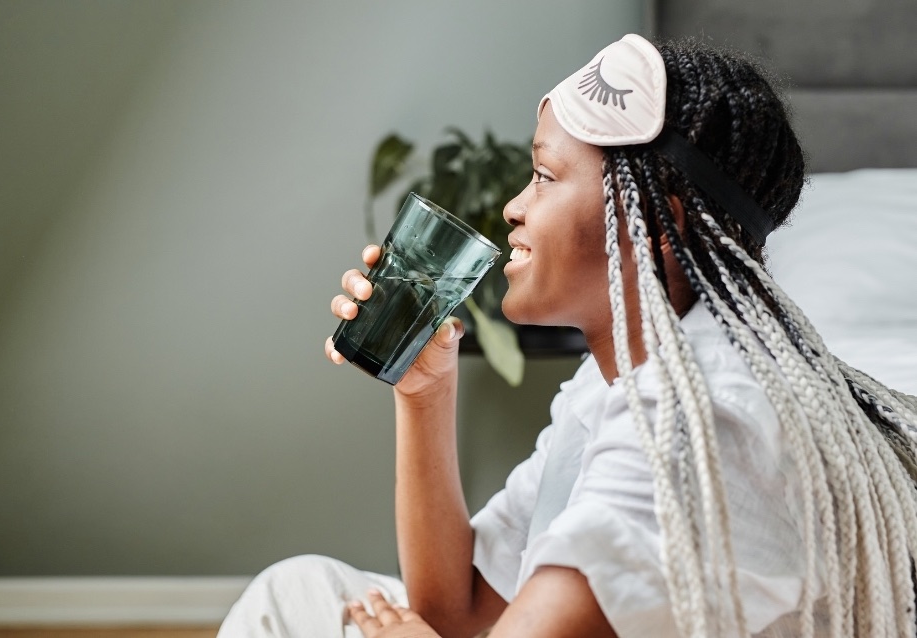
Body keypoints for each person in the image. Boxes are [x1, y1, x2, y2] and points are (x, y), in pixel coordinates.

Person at [218, 34, 917, 638]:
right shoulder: (615, 386)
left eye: (546, 176)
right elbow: (459, 609)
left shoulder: (698, 427)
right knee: (299, 589)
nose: (513, 207)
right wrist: (424, 392)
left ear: (654, 217)